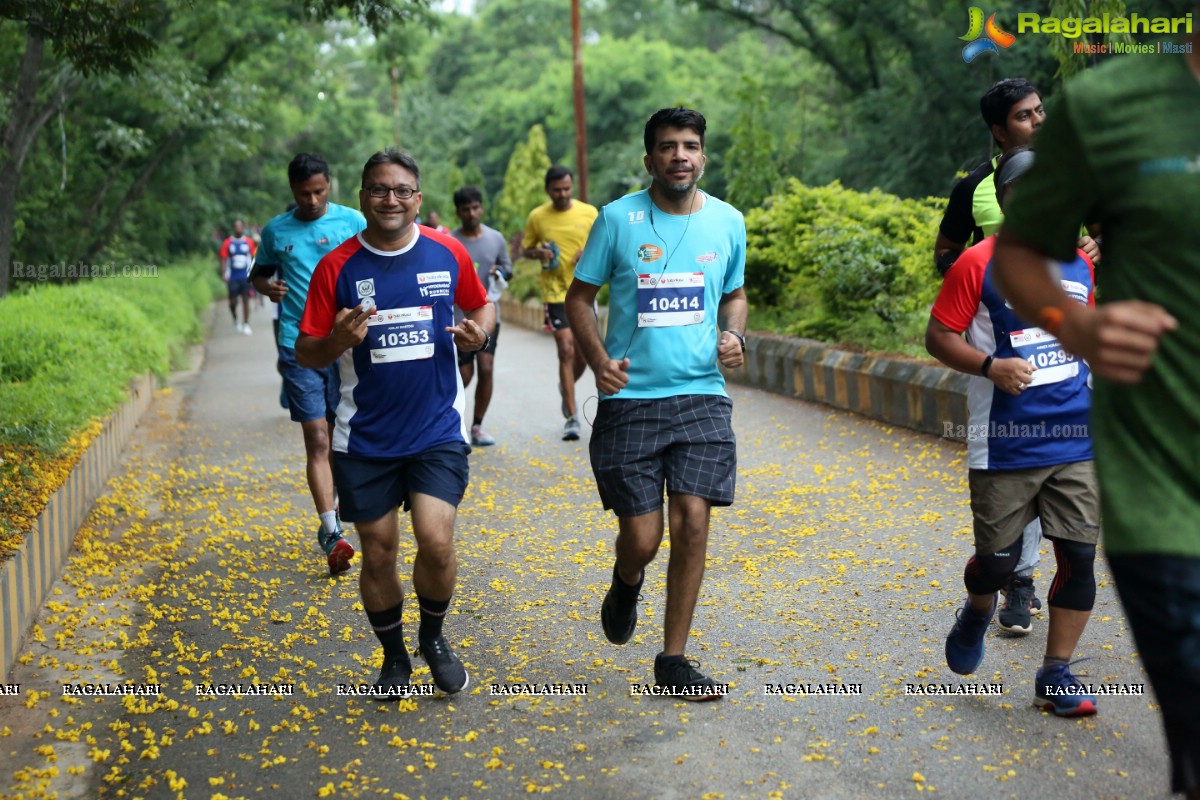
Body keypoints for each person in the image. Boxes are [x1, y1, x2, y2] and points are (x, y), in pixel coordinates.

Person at [991, 38, 1195, 795]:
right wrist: (1073, 328)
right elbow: (1015, 257)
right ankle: (1016, 607)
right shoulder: (1110, 106)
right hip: (1169, 487)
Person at [295, 148, 494, 695]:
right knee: (378, 550)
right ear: (362, 198)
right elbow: (307, 353)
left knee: (435, 539)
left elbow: (481, 306)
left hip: (436, 430)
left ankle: (434, 637)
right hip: (365, 439)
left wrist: (480, 334)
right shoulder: (336, 267)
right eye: (379, 190)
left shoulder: (447, 252)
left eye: (402, 190)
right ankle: (394, 657)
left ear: (418, 198)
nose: (391, 200)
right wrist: (339, 339)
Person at [565, 107, 747, 700]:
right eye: (667, 146)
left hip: (701, 395)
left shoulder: (727, 221)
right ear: (650, 159)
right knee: (642, 538)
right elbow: (579, 299)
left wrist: (734, 335)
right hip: (631, 400)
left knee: (693, 521)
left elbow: (736, 293)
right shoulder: (618, 219)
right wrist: (598, 362)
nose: (679, 156)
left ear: (703, 156)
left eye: (690, 145)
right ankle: (626, 579)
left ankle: (673, 659)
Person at [927, 147, 1100, 718]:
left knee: (1078, 555)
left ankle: (1056, 673)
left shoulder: (1080, 264)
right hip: (1004, 442)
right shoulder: (976, 262)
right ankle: (978, 609)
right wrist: (989, 366)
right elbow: (939, 337)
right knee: (998, 564)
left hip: (1075, 436)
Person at [251, 153, 366, 576]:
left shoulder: (352, 222)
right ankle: (330, 530)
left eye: (320, 191)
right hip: (298, 345)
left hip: (347, 344)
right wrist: (269, 287)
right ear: (292, 191)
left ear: (329, 185)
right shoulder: (276, 231)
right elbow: (258, 275)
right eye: (305, 193)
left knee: (341, 436)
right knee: (317, 436)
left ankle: (340, 506)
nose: (314, 199)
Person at [523, 165, 598, 440]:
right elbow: (526, 249)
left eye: (567, 188)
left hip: (585, 291)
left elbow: (605, 246)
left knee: (582, 356)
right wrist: (538, 253)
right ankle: (571, 416)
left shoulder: (589, 213)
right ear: (548, 190)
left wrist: (588, 253)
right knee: (565, 350)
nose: (563, 194)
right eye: (557, 190)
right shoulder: (537, 216)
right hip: (555, 292)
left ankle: (565, 388)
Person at [450, 186, 513, 446]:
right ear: (458, 212)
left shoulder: (495, 238)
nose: (471, 213)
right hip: (459, 320)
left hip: (488, 316)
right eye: (466, 209)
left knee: (486, 368)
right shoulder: (450, 240)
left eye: (475, 207)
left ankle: (477, 426)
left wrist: (501, 272)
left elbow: (509, 268)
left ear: (482, 208)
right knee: (463, 376)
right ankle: (450, 420)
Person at [219, 219, 257, 335]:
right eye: (236, 226)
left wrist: (253, 272)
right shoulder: (228, 243)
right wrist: (223, 273)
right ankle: (235, 318)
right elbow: (224, 258)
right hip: (232, 276)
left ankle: (246, 323)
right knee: (233, 301)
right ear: (233, 228)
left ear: (243, 228)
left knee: (246, 299)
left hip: (245, 276)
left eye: (240, 226)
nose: (238, 228)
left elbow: (253, 258)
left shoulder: (249, 242)